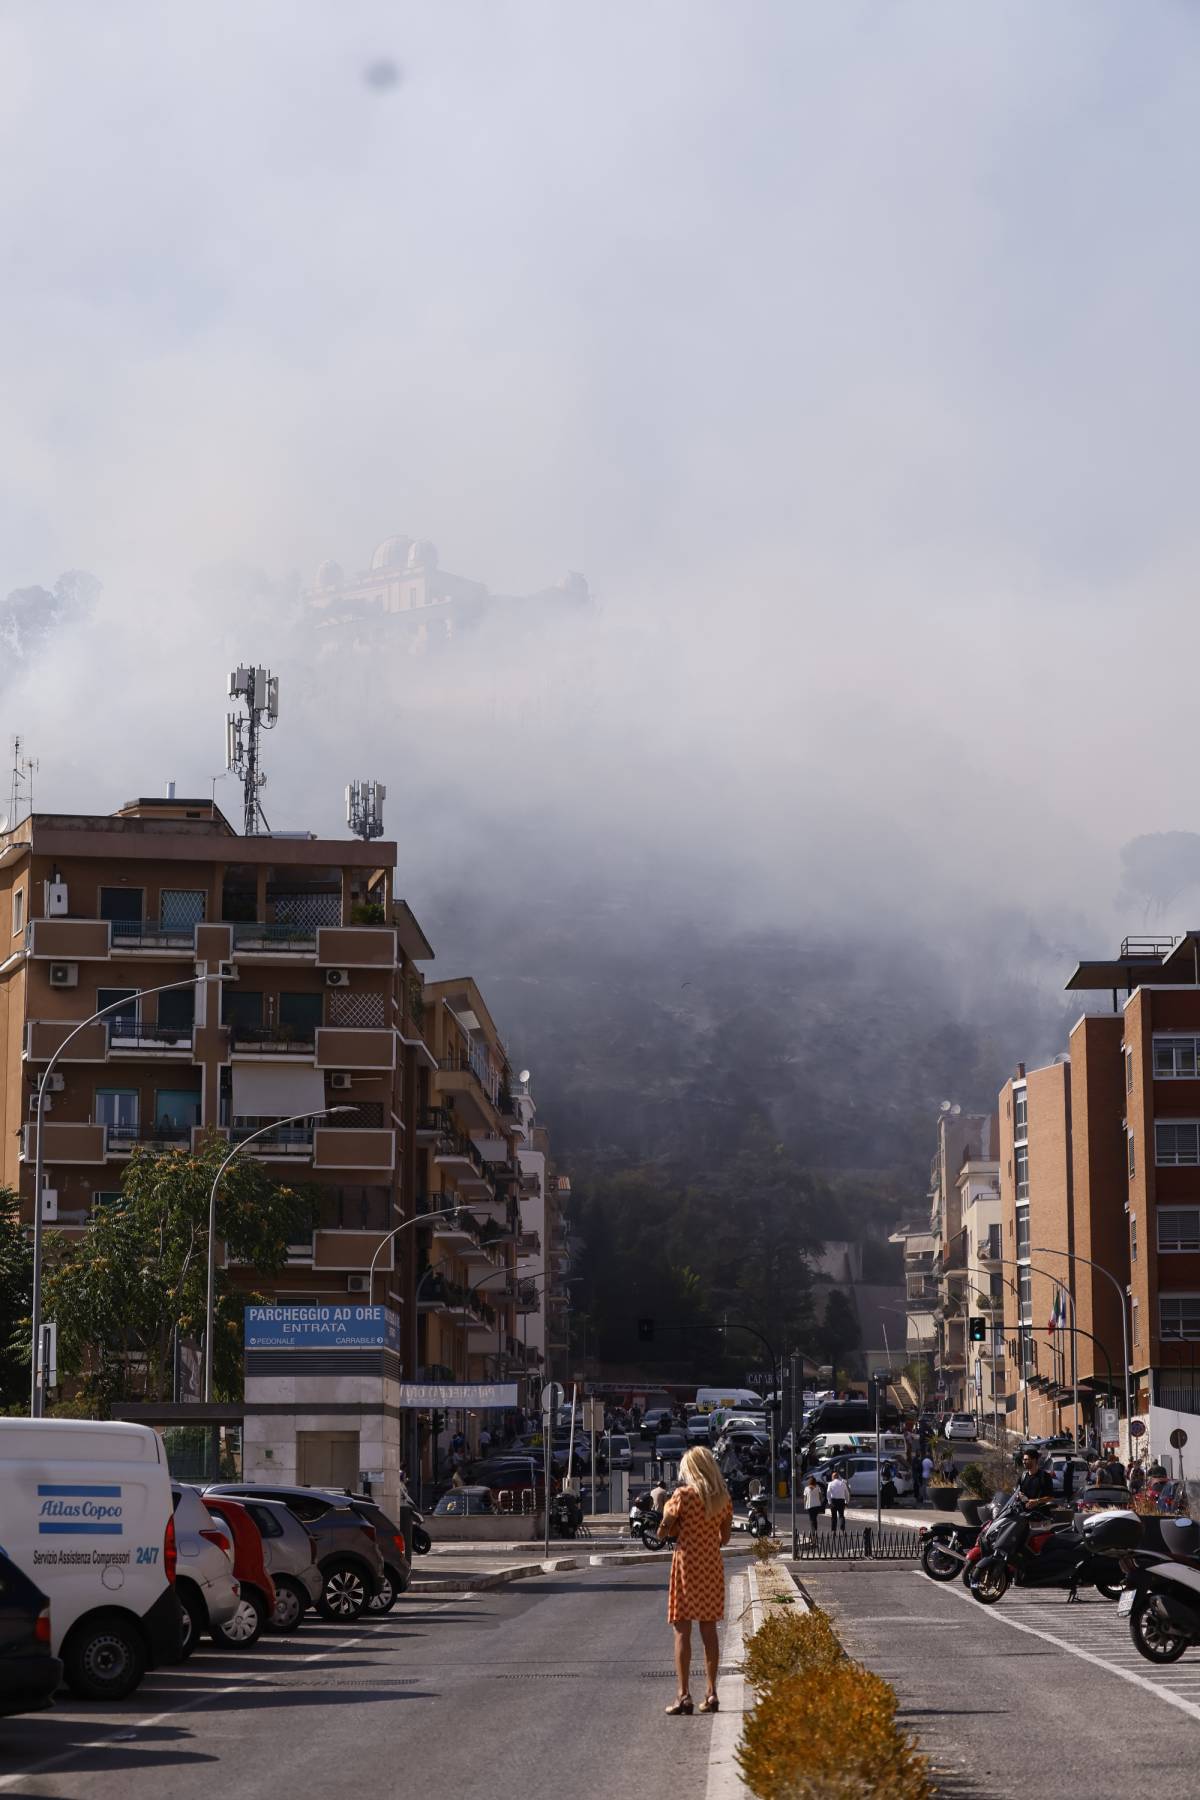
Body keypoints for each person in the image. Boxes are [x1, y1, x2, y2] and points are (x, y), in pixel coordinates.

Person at [658, 1446, 734, 1716]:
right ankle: (711, 1692)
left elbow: (663, 1531)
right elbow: (724, 1539)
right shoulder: (722, 1498)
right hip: (711, 1565)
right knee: (709, 1628)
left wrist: (667, 1515)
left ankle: (683, 1695)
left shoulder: (683, 1495)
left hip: (686, 1565)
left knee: (682, 1630)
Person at [826, 1467, 850, 1534]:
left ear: (833, 1477)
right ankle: (843, 1530)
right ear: (838, 1477)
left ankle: (834, 1531)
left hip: (833, 1501)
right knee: (841, 1515)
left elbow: (828, 1493)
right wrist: (847, 1502)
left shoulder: (830, 1484)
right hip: (841, 1501)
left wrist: (829, 1502)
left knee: (834, 1516)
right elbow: (847, 1493)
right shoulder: (842, 1483)